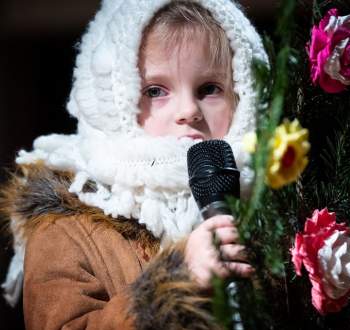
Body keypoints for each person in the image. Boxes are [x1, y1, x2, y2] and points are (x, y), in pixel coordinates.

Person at [0, 0, 267, 329]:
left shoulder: (273, 207)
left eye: (209, 88)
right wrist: (175, 279)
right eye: (156, 90)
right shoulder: (65, 227)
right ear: (113, 101)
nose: (188, 110)